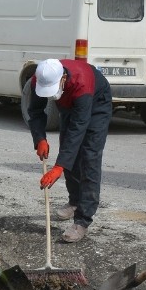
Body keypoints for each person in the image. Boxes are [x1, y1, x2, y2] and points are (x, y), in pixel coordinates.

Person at [25, 58, 112, 243]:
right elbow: (35, 111)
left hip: (96, 104)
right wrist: (39, 138)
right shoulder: (37, 79)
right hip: (69, 105)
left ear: (63, 77)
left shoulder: (82, 82)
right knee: (67, 148)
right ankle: (75, 201)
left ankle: (82, 220)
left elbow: (78, 128)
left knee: (89, 157)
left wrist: (59, 166)